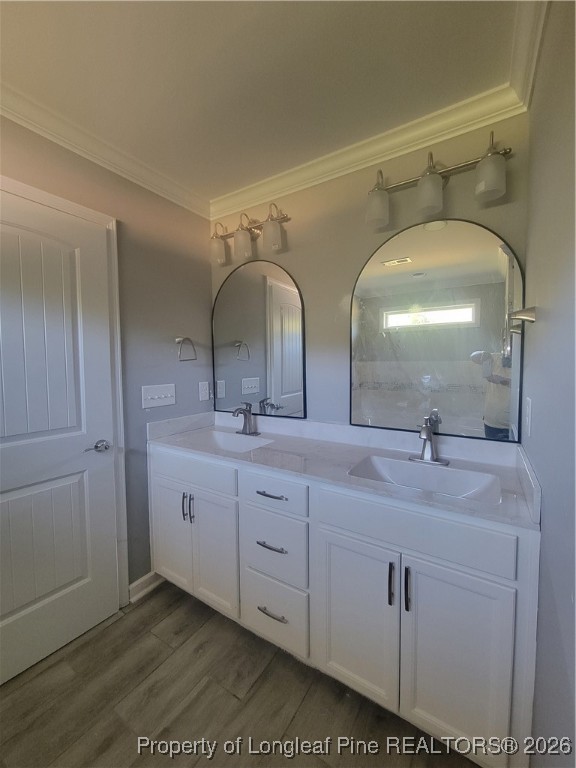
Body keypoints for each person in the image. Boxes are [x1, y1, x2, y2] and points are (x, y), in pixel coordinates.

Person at [470, 350, 511, 440]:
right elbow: (473, 356)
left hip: (511, 426)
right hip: (490, 423)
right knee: (492, 452)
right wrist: (484, 354)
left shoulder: (524, 362)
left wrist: (504, 380)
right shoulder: (495, 357)